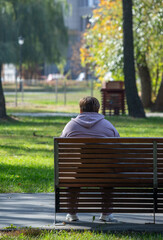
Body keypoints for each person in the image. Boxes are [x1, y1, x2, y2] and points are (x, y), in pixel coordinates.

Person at [60, 96, 120, 222]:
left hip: (79, 173)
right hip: (103, 172)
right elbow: (118, 146)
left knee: (71, 179)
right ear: (98, 110)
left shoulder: (70, 126)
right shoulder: (107, 125)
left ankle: (72, 214)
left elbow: (62, 147)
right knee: (108, 179)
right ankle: (106, 214)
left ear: (80, 110)